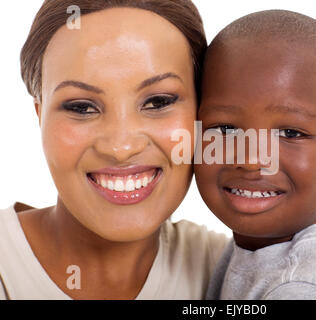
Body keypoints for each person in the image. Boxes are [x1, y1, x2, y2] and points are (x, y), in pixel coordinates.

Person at [0, 0, 229, 300]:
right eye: (81, 107)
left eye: (158, 102)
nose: (121, 147)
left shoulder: (233, 271)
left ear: (202, 112)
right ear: (40, 115)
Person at [194, 10, 316, 299]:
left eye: (290, 133)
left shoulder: (299, 289)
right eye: (225, 129)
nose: (251, 159)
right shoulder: (304, 244)